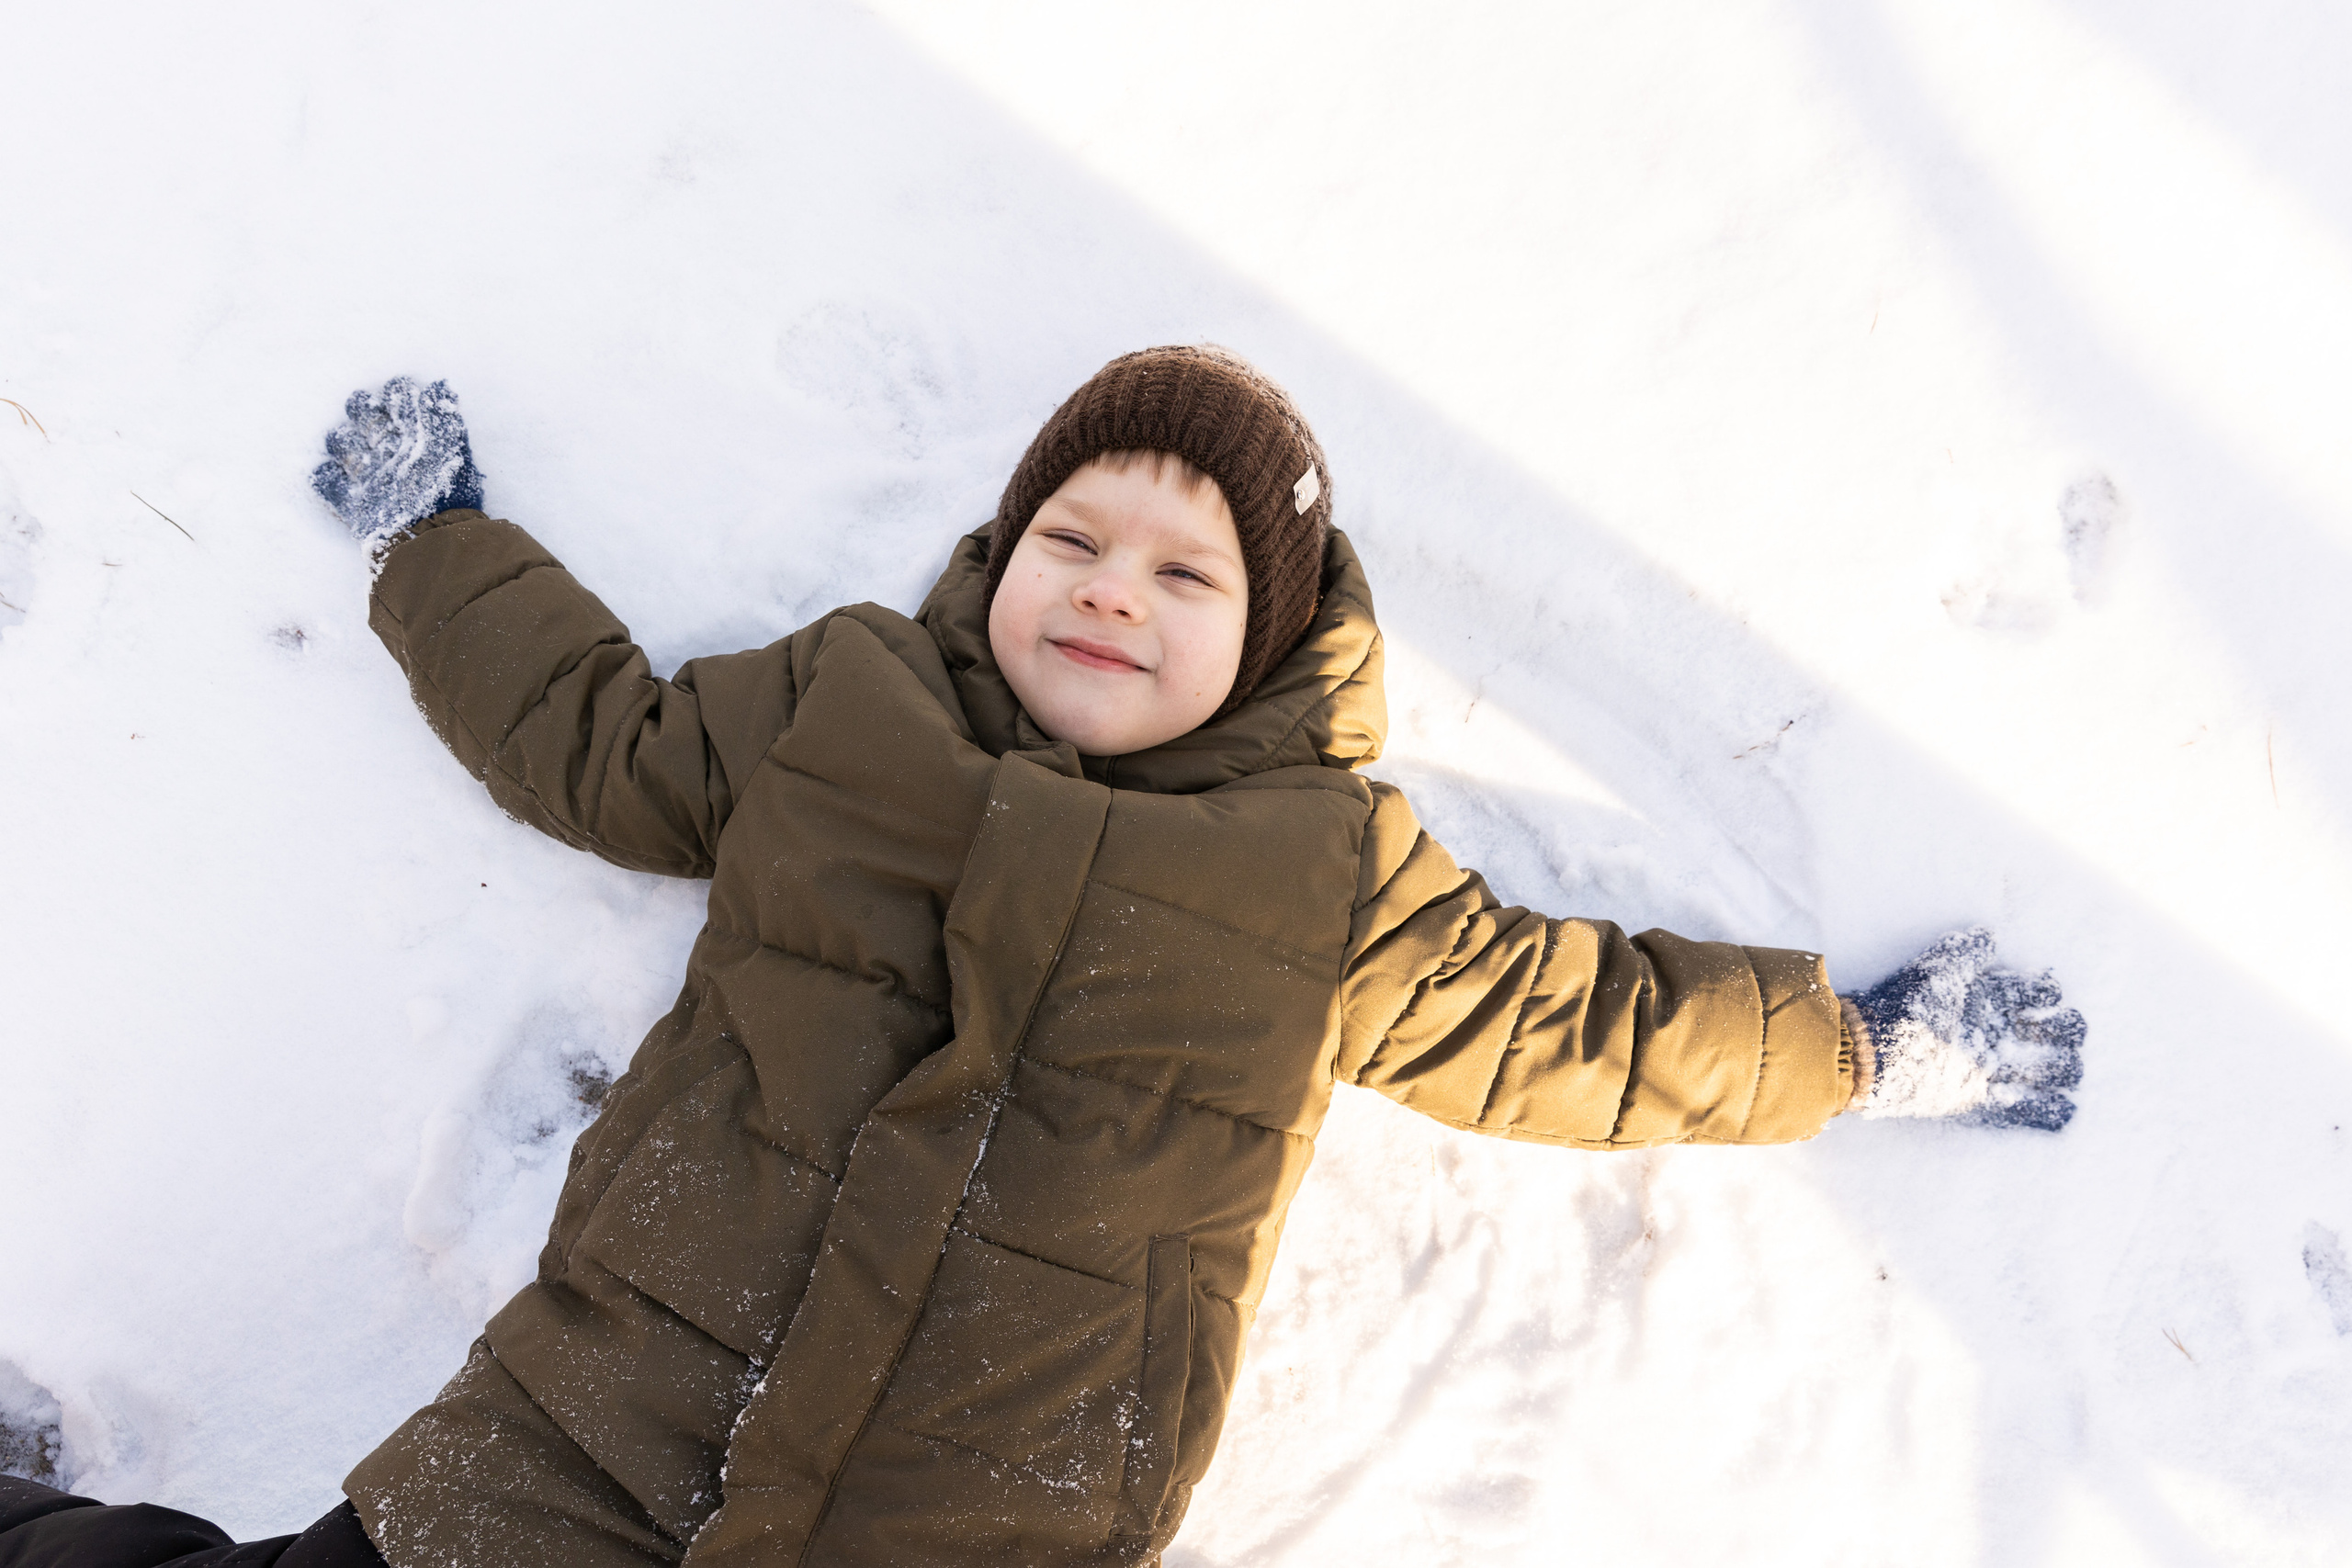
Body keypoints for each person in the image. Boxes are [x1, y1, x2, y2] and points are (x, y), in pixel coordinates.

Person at [1, 348, 2084, 1567]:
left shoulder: (1323, 870)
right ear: (998, 560)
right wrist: (437, 544)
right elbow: (598, 742)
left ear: (1265, 645)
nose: (1110, 592)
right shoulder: (846, 710)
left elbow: (1579, 1025)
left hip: (966, 1519)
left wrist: (1857, 1050)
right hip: (581, 1447)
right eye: (1072, 539)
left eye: (1184, 573)